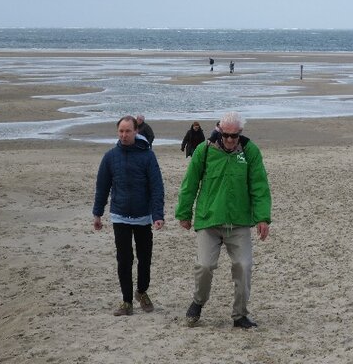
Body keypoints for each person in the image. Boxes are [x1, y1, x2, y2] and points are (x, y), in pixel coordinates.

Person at [175, 111, 271, 329]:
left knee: (243, 266)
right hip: (209, 220)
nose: (229, 140)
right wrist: (184, 213)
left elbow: (259, 186)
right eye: (225, 135)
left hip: (239, 222)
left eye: (234, 136)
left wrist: (262, 218)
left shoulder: (249, 152)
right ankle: (198, 302)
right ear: (218, 131)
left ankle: (240, 315)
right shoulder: (204, 150)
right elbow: (190, 183)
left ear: (240, 134)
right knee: (205, 265)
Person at [93, 115, 165, 316]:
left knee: (145, 257)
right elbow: (102, 187)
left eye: (128, 131)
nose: (124, 135)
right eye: (121, 131)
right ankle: (126, 301)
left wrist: (157, 215)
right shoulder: (110, 156)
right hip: (120, 215)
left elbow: (156, 187)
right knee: (124, 259)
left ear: (136, 132)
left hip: (143, 216)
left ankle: (141, 292)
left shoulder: (148, 156)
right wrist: (97, 214)